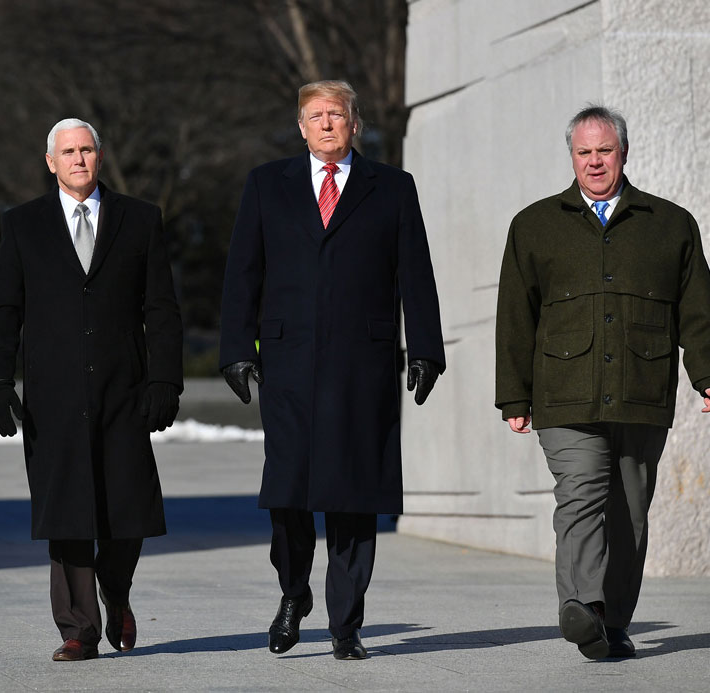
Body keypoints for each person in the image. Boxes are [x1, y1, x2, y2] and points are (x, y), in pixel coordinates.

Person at [494, 105, 710, 659]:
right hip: (564, 394)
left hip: (641, 393)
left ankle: (613, 620)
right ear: (571, 157)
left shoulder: (670, 223)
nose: (595, 161)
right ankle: (582, 607)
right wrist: (514, 394)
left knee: (629, 512)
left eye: (605, 151)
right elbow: (515, 314)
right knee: (579, 495)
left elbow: (699, 307)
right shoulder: (533, 225)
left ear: (623, 153)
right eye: (585, 152)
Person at [219, 80, 445, 660]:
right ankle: (294, 594)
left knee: (353, 494)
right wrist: (235, 349)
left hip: (361, 366)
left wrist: (424, 348)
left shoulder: (391, 188)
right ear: (300, 125)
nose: (325, 124)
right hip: (288, 363)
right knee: (288, 493)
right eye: (315, 116)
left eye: (336, 115)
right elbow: (244, 272)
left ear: (354, 123)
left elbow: (414, 273)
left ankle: (347, 625)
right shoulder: (268, 184)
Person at [0, 118, 183, 662]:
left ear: (100, 156)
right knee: (67, 512)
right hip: (53, 396)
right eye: (67, 151)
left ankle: (115, 589)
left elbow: (161, 308)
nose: (78, 159)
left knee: (129, 508)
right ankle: (78, 630)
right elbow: (5, 310)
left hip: (124, 389)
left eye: (87, 149)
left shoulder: (140, 220)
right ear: (51, 162)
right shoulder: (22, 225)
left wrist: (166, 378)